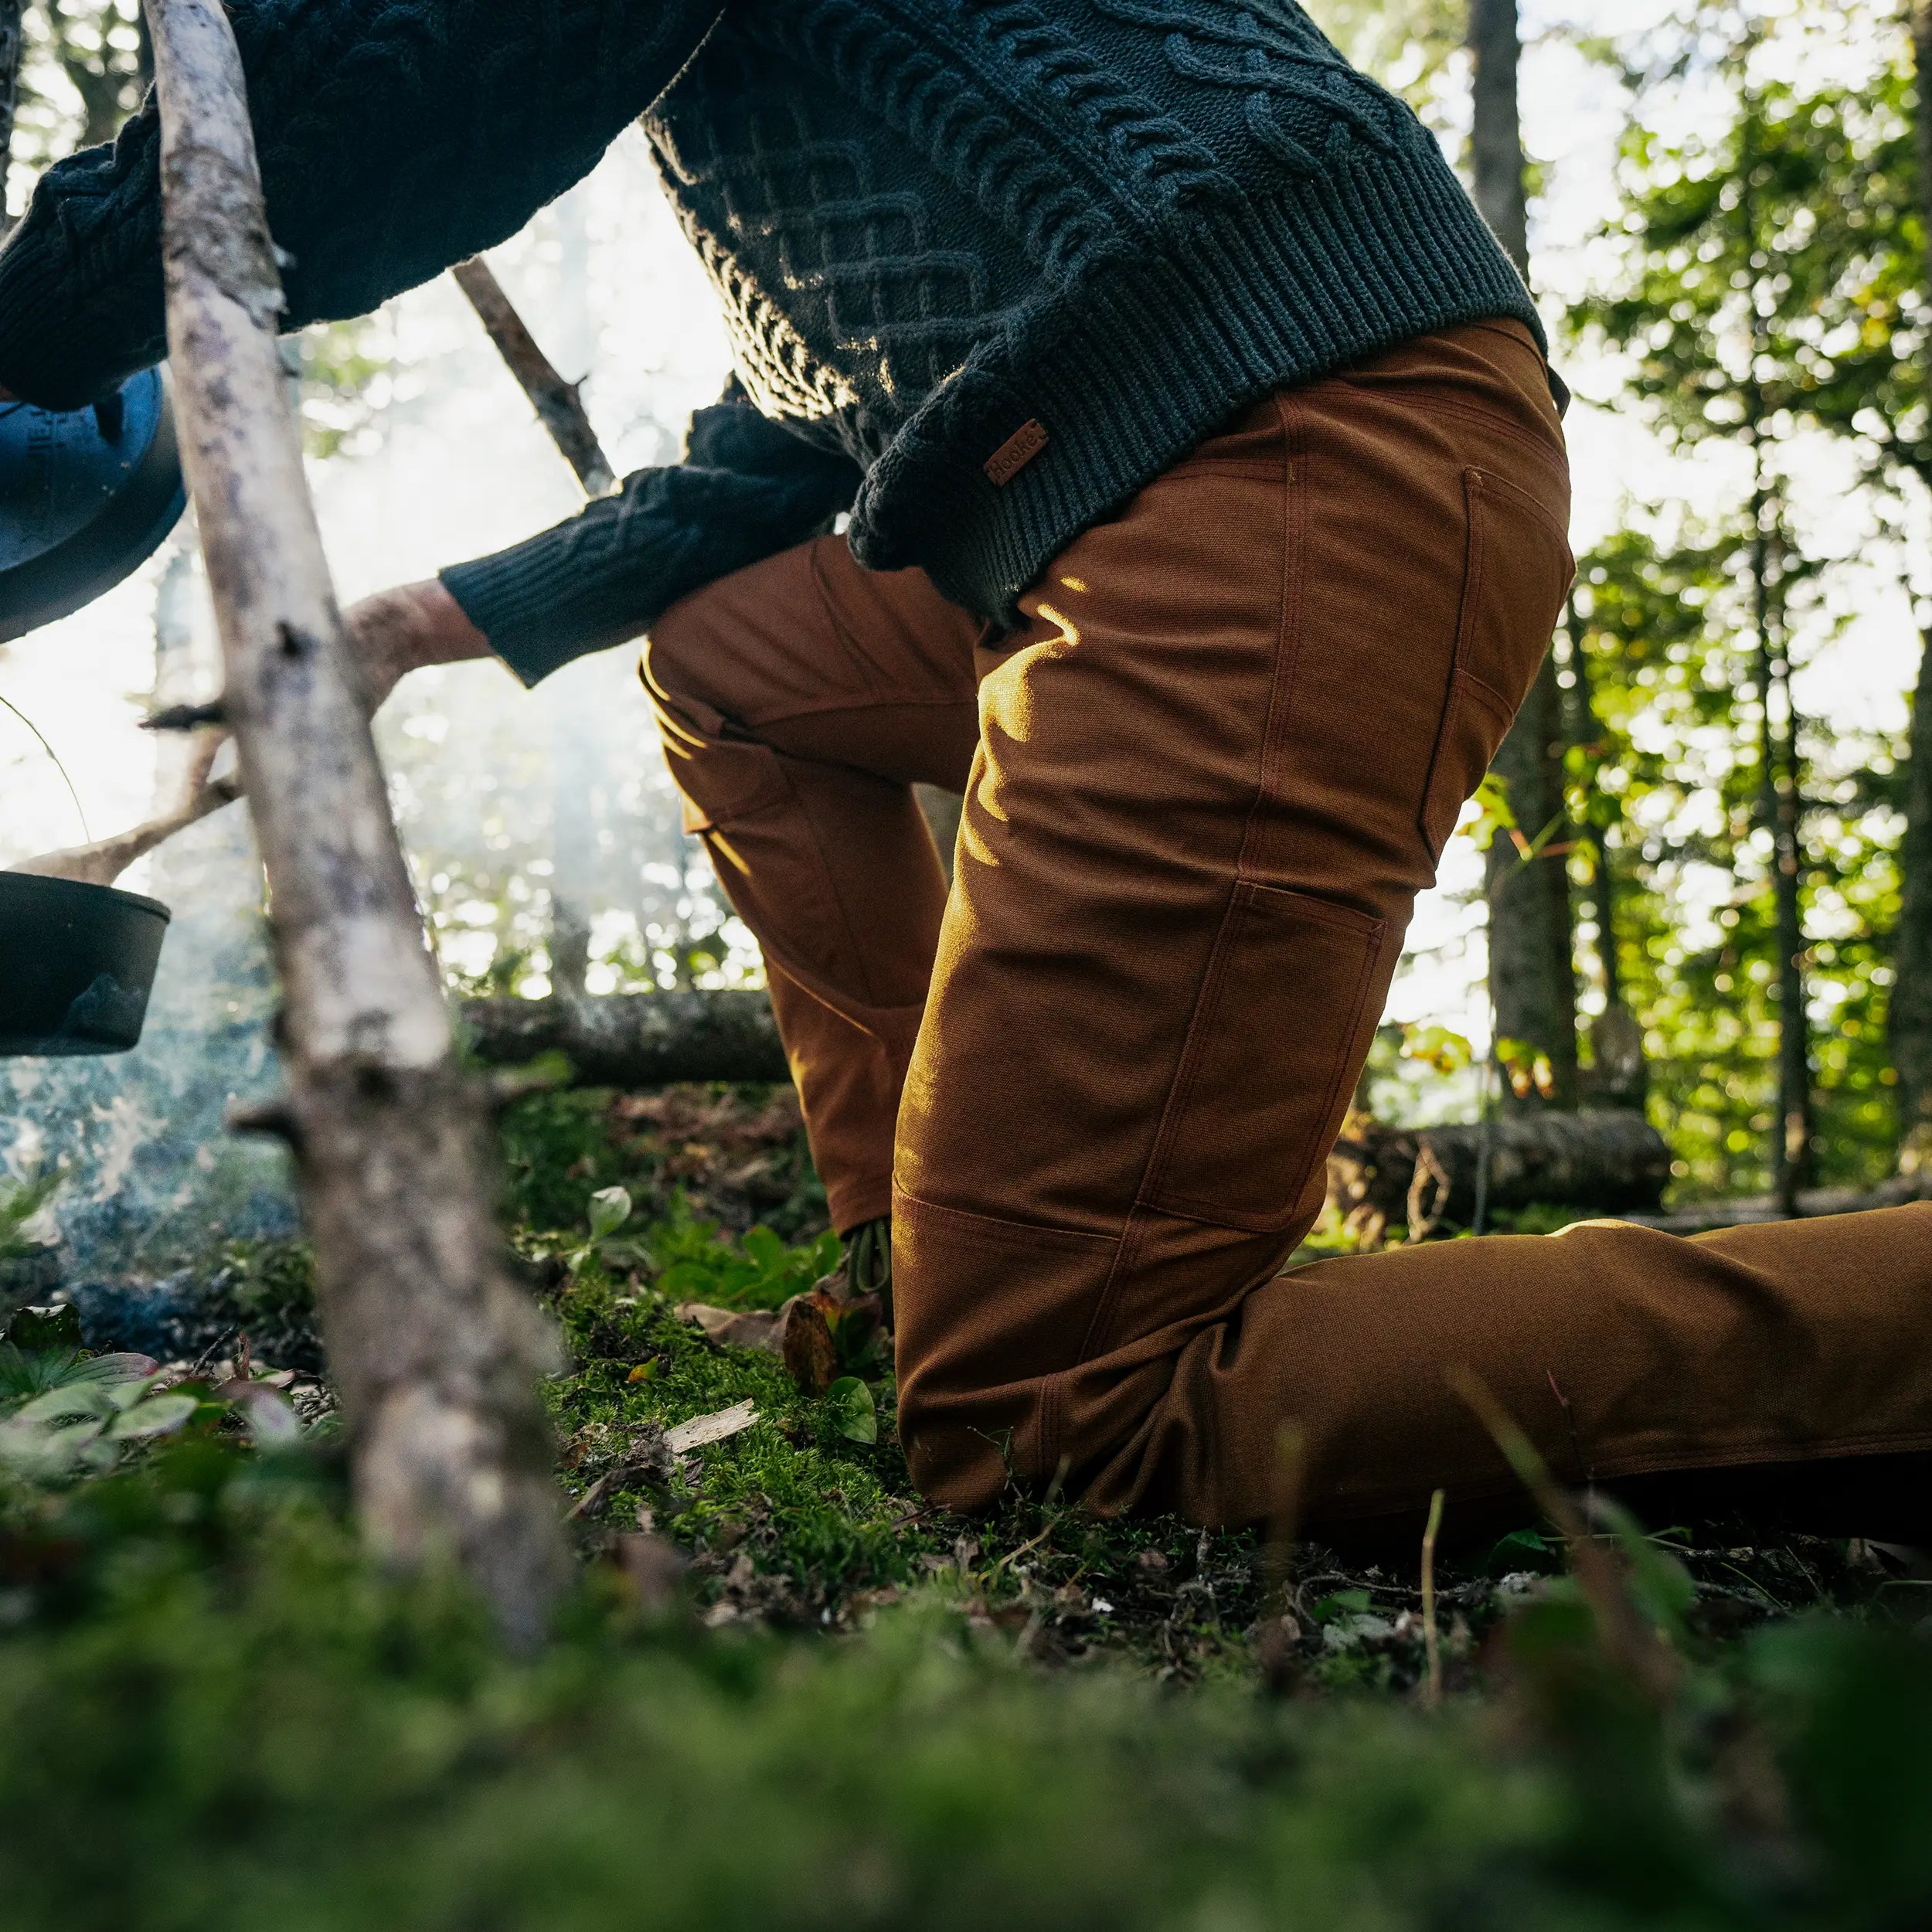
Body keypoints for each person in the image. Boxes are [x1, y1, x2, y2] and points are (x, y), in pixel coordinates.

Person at [3, 0, 1927, 1542]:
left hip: (1280, 453)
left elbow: (370, 107)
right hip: (1156, 461)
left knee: (1057, 1421)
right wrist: (428, 620)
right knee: (739, 660)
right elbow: (782, 446)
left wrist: (25, 317)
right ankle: (904, 1254)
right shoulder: (892, 98)